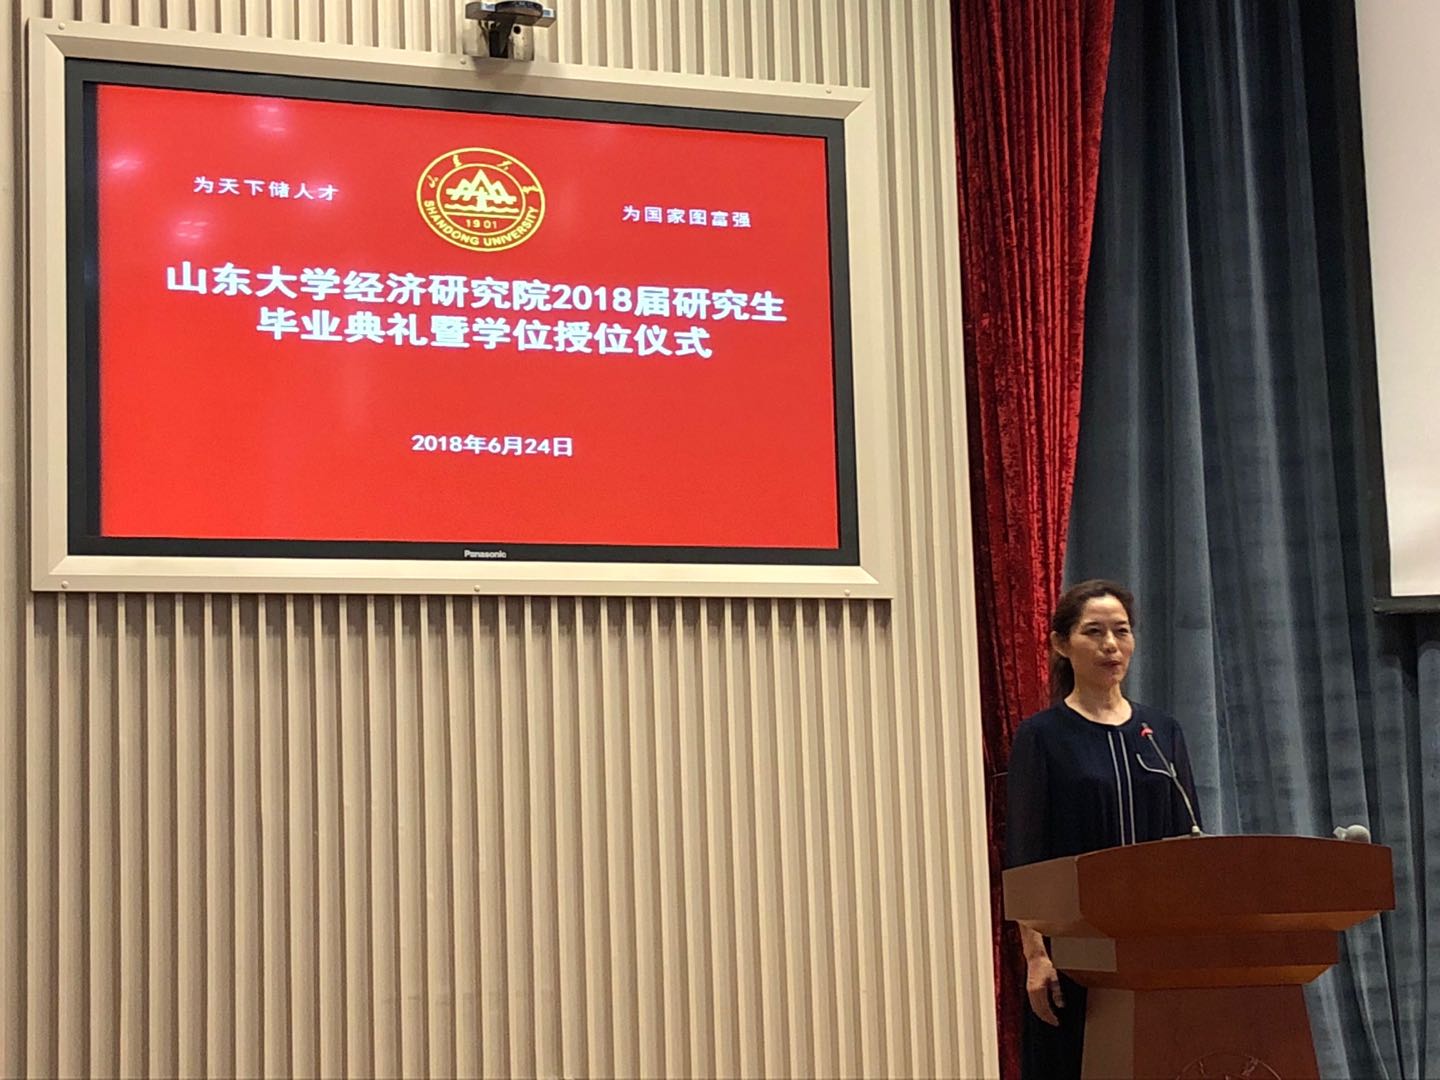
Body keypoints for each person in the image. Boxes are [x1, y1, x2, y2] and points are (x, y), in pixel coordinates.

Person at [1005, 579, 1202, 1080]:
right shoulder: (1042, 736)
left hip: (1157, 950)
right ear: (1061, 644)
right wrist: (1036, 956)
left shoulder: (1159, 732)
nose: (1111, 645)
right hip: (1075, 955)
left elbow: (1189, 841)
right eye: (1094, 632)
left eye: (1121, 631)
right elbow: (1025, 857)